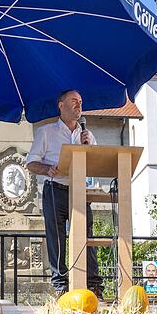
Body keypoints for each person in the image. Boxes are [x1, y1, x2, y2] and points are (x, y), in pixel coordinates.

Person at [25, 90, 101, 299]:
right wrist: (47, 169)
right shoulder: (46, 132)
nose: (79, 105)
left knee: (87, 237)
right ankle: (61, 286)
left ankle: (93, 285)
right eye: (74, 101)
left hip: (79, 190)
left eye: (81, 102)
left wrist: (89, 147)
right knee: (56, 239)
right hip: (54, 189)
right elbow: (31, 163)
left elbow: (95, 163)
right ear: (60, 105)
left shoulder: (87, 135)